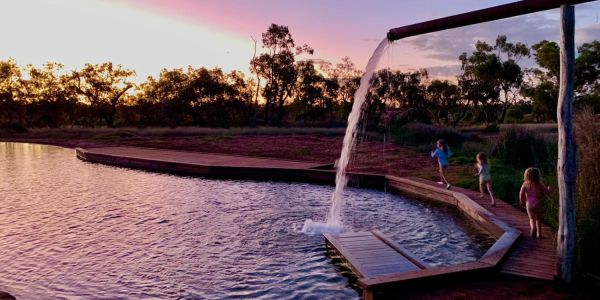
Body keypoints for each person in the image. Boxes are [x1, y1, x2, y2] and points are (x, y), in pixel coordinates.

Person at [519, 167, 551, 238]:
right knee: (538, 219)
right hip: (538, 203)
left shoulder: (525, 184)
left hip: (529, 203)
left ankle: (533, 228)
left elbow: (521, 193)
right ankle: (539, 234)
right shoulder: (539, 183)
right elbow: (545, 191)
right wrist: (549, 189)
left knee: (531, 218)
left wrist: (522, 201)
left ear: (526, 175)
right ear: (537, 175)